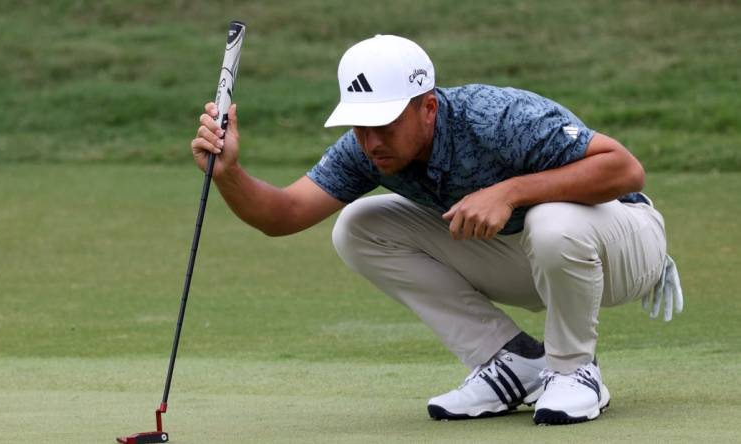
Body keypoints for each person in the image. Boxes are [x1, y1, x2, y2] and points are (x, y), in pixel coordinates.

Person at [190, 34, 683, 425]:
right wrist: (230, 173)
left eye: (383, 123)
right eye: (359, 125)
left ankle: (574, 370)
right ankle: (514, 362)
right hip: (531, 257)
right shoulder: (367, 149)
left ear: (427, 106)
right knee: (358, 226)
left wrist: (509, 192)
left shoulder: (496, 116)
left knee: (551, 219)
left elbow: (624, 170)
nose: (371, 140)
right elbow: (283, 214)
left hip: (624, 247)